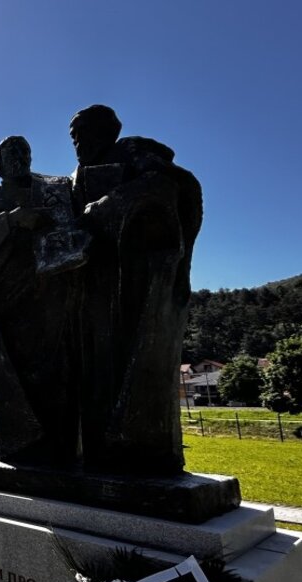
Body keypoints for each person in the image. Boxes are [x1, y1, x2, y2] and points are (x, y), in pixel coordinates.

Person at [69, 104, 202, 474]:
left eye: (83, 132)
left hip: (134, 279)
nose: (77, 142)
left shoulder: (135, 154)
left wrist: (104, 208)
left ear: (107, 130)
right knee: (94, 367)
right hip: (91, 285)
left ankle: (142, 451)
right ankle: (99, 449)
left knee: (132, 358)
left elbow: (165, 187)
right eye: (73, 136)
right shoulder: (74, 176)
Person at [0, 135, 83, 467]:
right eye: (11, 155)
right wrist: (10, 220)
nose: (19, 158)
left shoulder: (54, 190)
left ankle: (64, 449)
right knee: (14, 377)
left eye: (24, 152)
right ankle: (23, 449)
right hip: (10, 307)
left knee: (60, 375)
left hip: (53, 300)